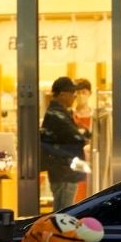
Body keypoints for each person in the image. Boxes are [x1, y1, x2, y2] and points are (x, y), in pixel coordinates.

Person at [39, 77, 91, 208]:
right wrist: (87, 134)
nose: (75, 97)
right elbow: (77, 137)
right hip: (63, 171)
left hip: (64, 170)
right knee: (64, 212)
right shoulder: (57, 114)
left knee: (62, 209)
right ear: (62, 94)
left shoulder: (59, 112)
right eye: (72, 93)